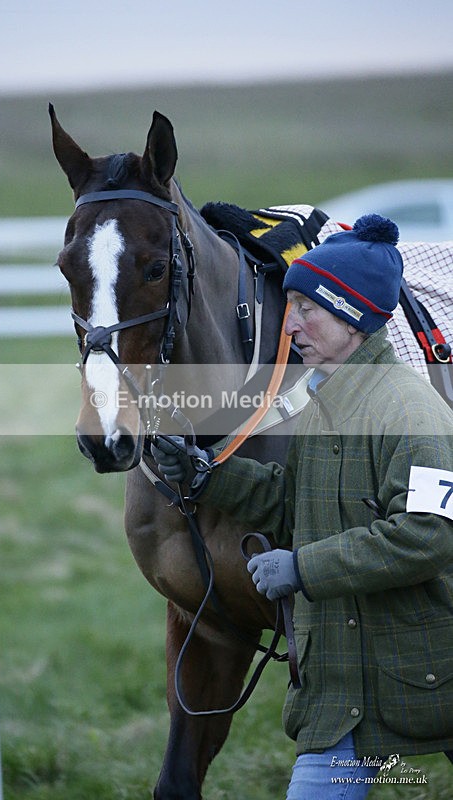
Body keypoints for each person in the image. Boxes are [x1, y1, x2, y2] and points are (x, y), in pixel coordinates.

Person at [151, 214, 453, 798]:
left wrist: (302, 569)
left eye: (308, 309)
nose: (290, 325)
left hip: (428, 677)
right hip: (342, 691)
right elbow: (299, 503)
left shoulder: (414, 416)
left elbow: (427, 536)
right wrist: (210, 477)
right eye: (289, 308)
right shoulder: (319, 404)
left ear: (354, 316)